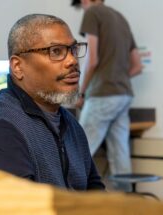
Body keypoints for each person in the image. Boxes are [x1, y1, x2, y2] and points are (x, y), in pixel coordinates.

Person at [0, 14, 105, 191]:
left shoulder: (70, 124)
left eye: (73, 49)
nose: (73, 60)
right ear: (18, 67)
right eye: (56, 51)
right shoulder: (1, 127)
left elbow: (96, 195)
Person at [71, 0, 142, 191]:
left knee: (78, 149)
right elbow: (137, 65)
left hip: (102, 94)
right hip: (123, 95)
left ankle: (67, 203)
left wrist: (82, 92)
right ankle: (125, 206)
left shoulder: (92, 13)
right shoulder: (120, 18)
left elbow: (92, 59)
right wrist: (117, 76)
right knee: (120, 154)